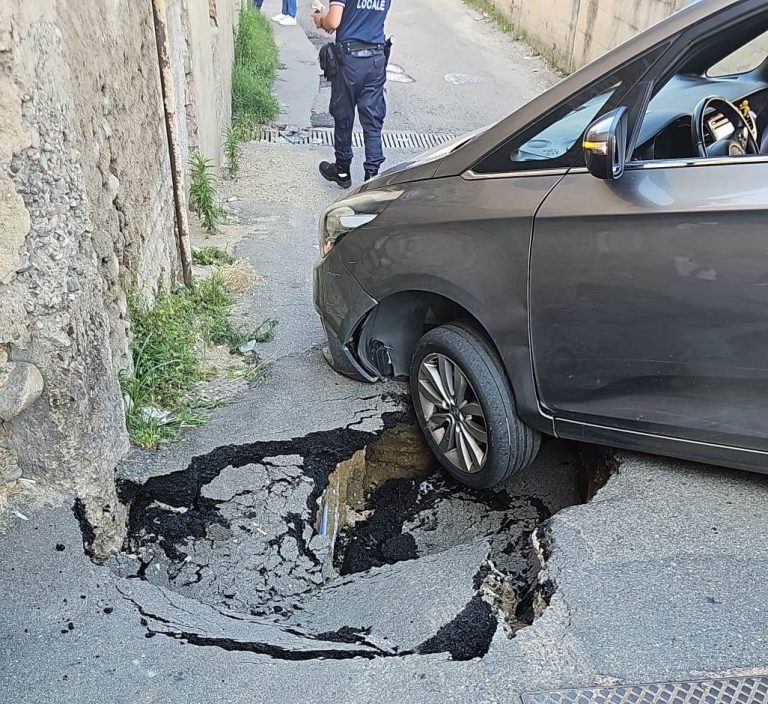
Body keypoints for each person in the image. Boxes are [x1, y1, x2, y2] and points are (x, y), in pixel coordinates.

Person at [313, 0, 392, 188]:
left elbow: (333, 22)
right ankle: (372, 176)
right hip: (376, 58)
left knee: (343, 115)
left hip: (349, 60)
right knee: (373, 118)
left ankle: (342, 170)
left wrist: (319, 18)